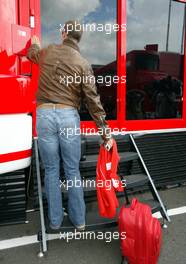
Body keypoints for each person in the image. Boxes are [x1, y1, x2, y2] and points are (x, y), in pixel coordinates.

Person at [27, 20, 113, 230]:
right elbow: (93, 101)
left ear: (64, 33)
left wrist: (34, 43)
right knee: (72, 170)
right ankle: (79, 221)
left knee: (51, 169)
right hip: (68, 116)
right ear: (78, 38)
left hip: (45, 114)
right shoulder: (83, 63)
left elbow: (32, 54)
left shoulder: (47, 52)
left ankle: (55, 222)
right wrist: (106, 133)